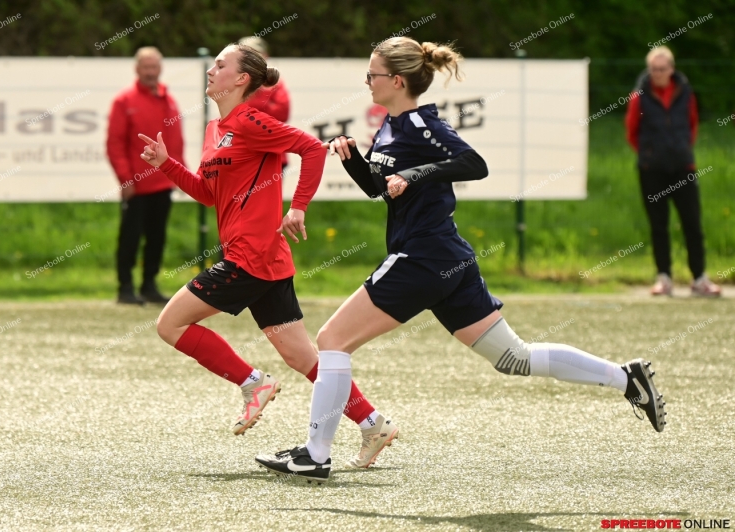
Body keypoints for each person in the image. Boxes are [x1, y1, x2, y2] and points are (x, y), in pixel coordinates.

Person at [256, 37, 666, 484]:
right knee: (513, 357)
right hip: (445, 258)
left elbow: (474, 163)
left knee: (332, 340)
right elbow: (379, 188)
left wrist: (414, 173)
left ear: (398, 81)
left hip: (423, 256)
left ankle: (315, 454)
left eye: (373, 74)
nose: (367, 81)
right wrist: (354, 159)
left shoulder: (420, 123)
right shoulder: (390, 126)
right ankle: (626, 378)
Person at [138, 43, 398, 467]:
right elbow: (208, 194)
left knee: (170, 324)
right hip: (266, 260)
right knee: (302, 357)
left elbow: (311, 149)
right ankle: (372, 423)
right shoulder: (215, 127)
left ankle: (252, 382)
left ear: (241, 79)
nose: (211, 70)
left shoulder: (251, 120)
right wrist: (167, 163)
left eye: (220, 64)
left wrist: (298, 207)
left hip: (250, 257)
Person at [625, 46, 721, 297]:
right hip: (651, 169)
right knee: (659, 225)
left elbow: (692, 125)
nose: (658, 73)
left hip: (683, 167)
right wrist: (650, 154)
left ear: (671, 69)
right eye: (654, 69)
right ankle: (664, 278)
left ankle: (699, 278)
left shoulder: (686, 94)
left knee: (692, 224)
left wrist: (681, 151)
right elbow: (632, 131)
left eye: (662, 69)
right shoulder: (639, 97)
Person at [106, 46, 185, 305]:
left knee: (157, 237)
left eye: (154, 67)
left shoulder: (168, 99)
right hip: (136, 185)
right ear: (137, 69)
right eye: (146, 67)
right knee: (130, 237)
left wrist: (181, 174)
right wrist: (125, 178)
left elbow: (175, 141)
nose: (150, 72)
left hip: (163, 182)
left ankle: (149, 285)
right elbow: (115, 144)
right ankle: (125, 287)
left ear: (160, 69)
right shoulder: (124, 101)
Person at [237, 36, 292, 171]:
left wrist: (254, 100)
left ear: (265, 56)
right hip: (241, 153)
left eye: (256, 54)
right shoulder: (234, 82)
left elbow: (282, 113)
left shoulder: (274, 81)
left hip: (272, 153)